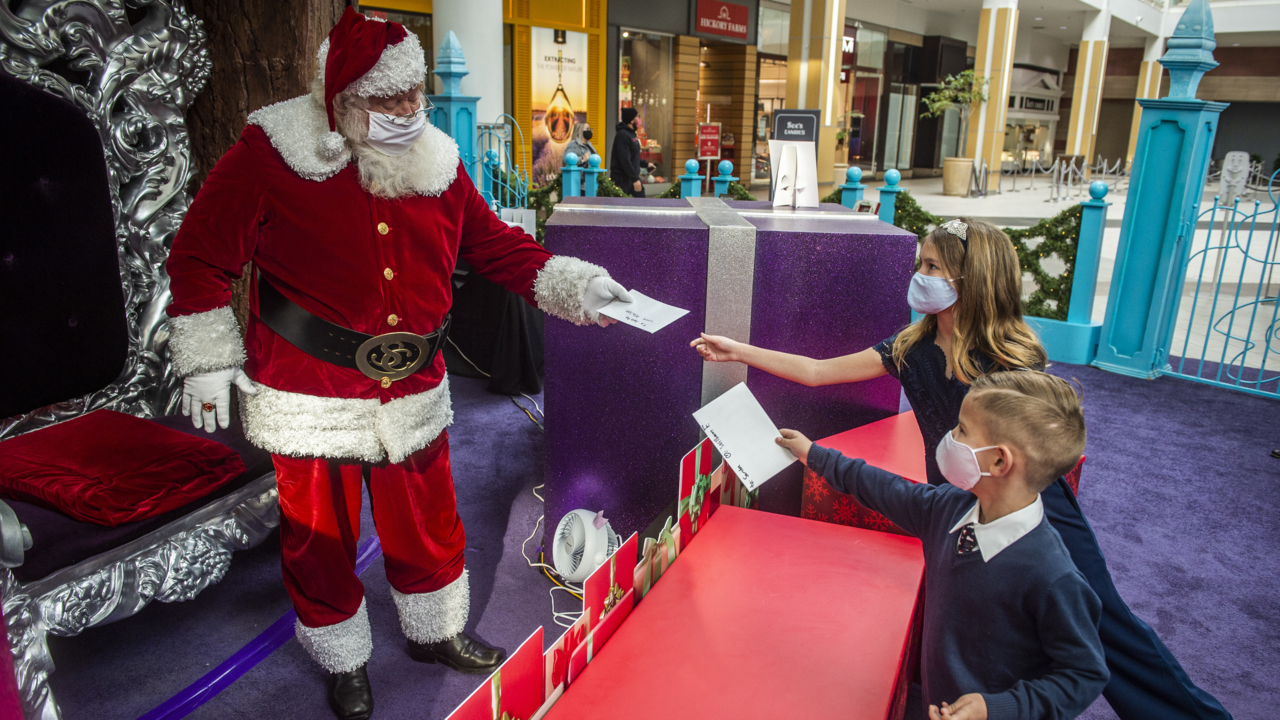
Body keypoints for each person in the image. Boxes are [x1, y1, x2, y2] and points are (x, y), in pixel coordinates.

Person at [165, 10, 633, 720]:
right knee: (319, 534)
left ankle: (434, 630)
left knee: (429, 518)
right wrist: (206, 358)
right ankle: (341, 655)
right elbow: (200, 254)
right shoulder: (272, 153)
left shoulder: (439, 159)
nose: (409, 111)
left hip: (411, 380)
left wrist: (574, 285)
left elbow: (494, 246)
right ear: (341, 101)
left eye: (415, 94)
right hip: (309, 386)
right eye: (389, 101)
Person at [693, 218, 1234, 720]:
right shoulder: (910, 346)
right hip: (955, 503)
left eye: (932, 267)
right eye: (920, 264)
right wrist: (737, 349)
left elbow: (1045, 439)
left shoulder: (1010, 361)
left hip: (1026, 507)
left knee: (1105, 625)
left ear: (969, 280)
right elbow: (815, 371)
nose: (919, 276)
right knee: (970, 621)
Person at [777, 371, 1109, 720]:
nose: (949, 437)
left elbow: (1084, 674)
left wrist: (994, 708)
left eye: (962, 430)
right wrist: (815, 455)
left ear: (999, 461)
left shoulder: (1053, 577)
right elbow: (885, 489)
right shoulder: (949, 507)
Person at [611, 107, 644, 197]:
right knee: (622, 205)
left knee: (641, 202)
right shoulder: (622, 135)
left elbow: (633, 156)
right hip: (622, 180)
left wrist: (646, 164)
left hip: (631, 177)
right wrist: (635, 179)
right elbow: (624, 159)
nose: (639, 119)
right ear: (632, 120)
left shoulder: (632, 134)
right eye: (637, 117)